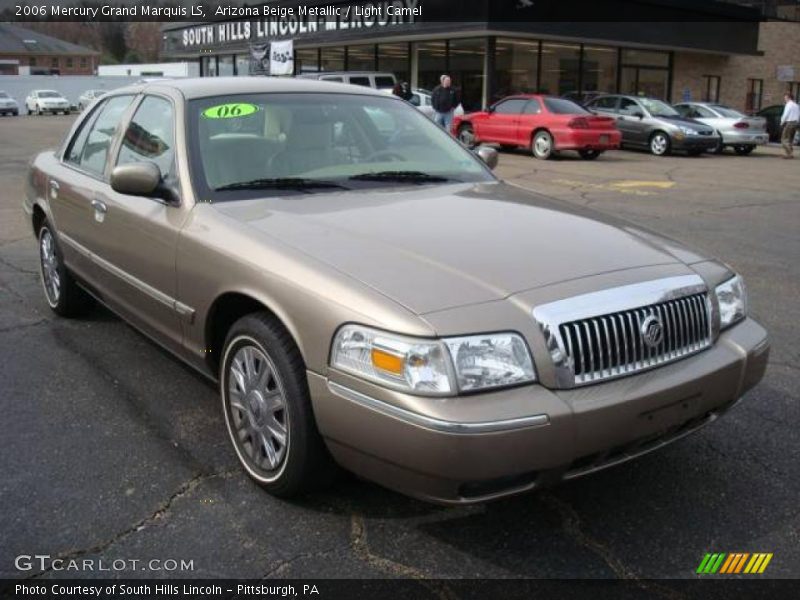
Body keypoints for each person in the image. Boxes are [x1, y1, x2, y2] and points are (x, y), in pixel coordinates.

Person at [779, 91, 799, 159]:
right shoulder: (796, 105)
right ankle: (790, 153)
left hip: (789, 123)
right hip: (795, 123)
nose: (785, 99)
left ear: (788, 97)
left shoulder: (789, 105)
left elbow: (785, 114)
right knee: (790, 139)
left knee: (784, 139)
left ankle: (789, 153)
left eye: (785, 97)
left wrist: (782, 122)